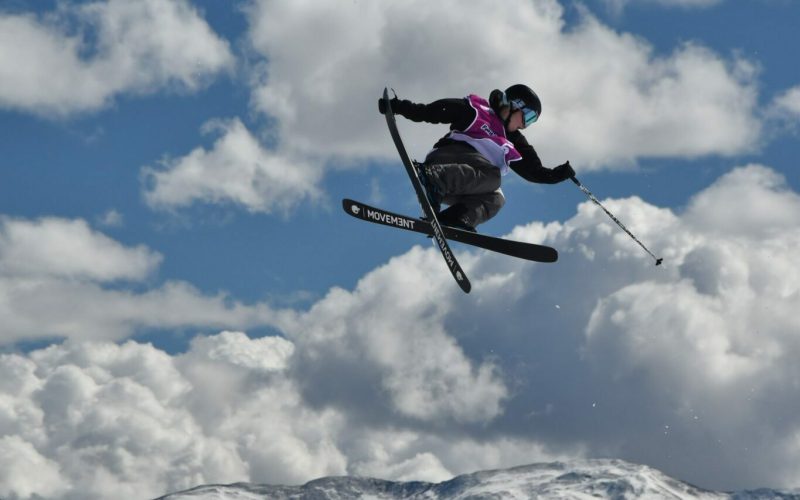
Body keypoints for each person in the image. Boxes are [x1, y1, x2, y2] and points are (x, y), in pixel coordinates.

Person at [378, 84, 575, 232]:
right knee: (494, 176)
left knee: (497, 198)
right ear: (515, 106)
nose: (525, 125)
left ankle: (456, 218)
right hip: (448, 159)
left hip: (458, 185)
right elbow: (434, 111)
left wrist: (558, 174)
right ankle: (434, 177)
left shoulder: (514, 140)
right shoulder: (479, 111)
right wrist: (398, 106)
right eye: (528, 117)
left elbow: (533, 171)